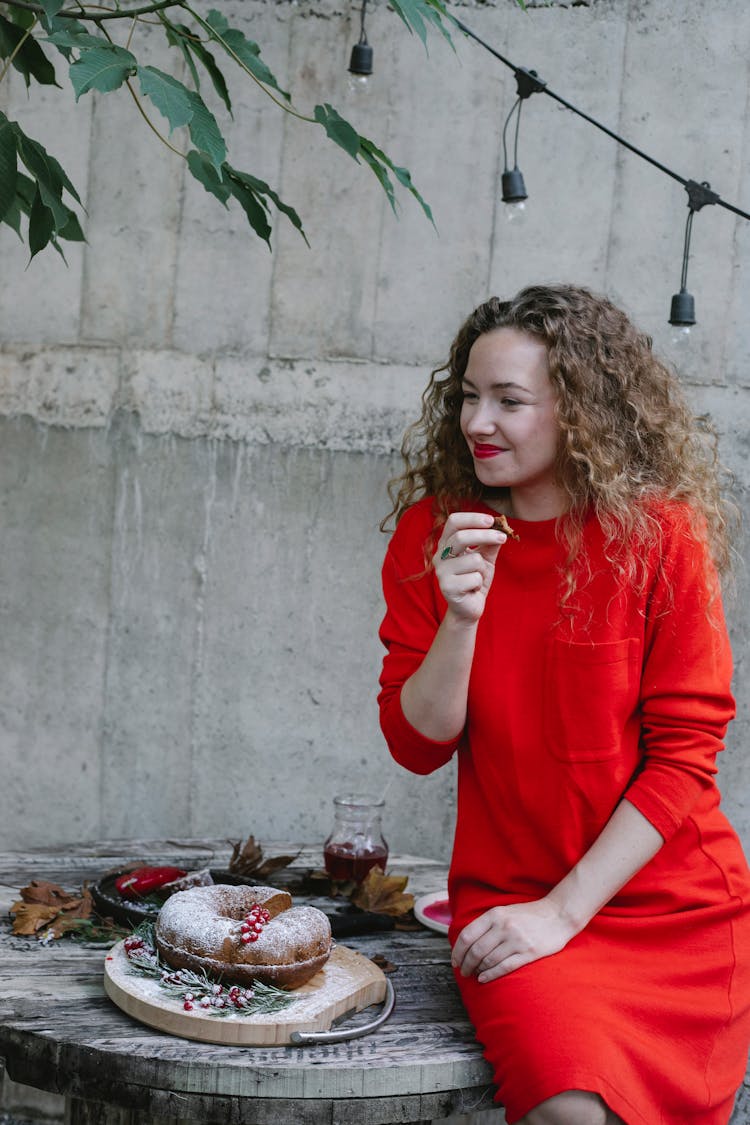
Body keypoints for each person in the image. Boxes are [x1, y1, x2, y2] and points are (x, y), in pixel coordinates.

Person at [377, 284, 750, 1125]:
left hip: (673, 909)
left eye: (510, 400)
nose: (479, 420)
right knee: (569, 1111)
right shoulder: (435, 533)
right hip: (512, 898)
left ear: (580, 410)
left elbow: (687, 755)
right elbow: (417, 741)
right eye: (469, 395)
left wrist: (565, 911)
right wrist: (462, 617)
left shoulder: (661, 537)